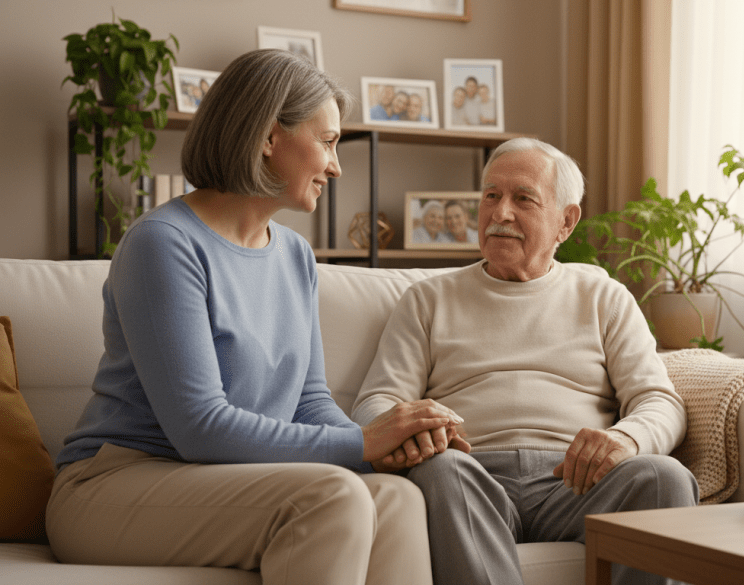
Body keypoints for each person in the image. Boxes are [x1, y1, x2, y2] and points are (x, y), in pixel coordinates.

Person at [46, 49, 459, 585]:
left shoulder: (294, 255)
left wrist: (386, 445)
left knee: (397, 497)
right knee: (330, 497)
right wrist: (363, 444)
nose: (336, 166)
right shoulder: (163, 244)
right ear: (269, 137)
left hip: (227, 481)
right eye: (328, 142)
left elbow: (309, 402)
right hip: (113, 486)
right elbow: (199, 428)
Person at [352, 137, 699, 585]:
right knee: (442, 470)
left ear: (565, 222)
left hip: (577, 482)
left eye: (523, 199)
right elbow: (376, 400)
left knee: (664, 477)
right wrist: (408, 428)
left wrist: (627, 440)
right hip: (471, 473)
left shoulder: (604, 298)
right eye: (491, 196)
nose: (500, 214)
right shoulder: (428, 299)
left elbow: (659, 400)